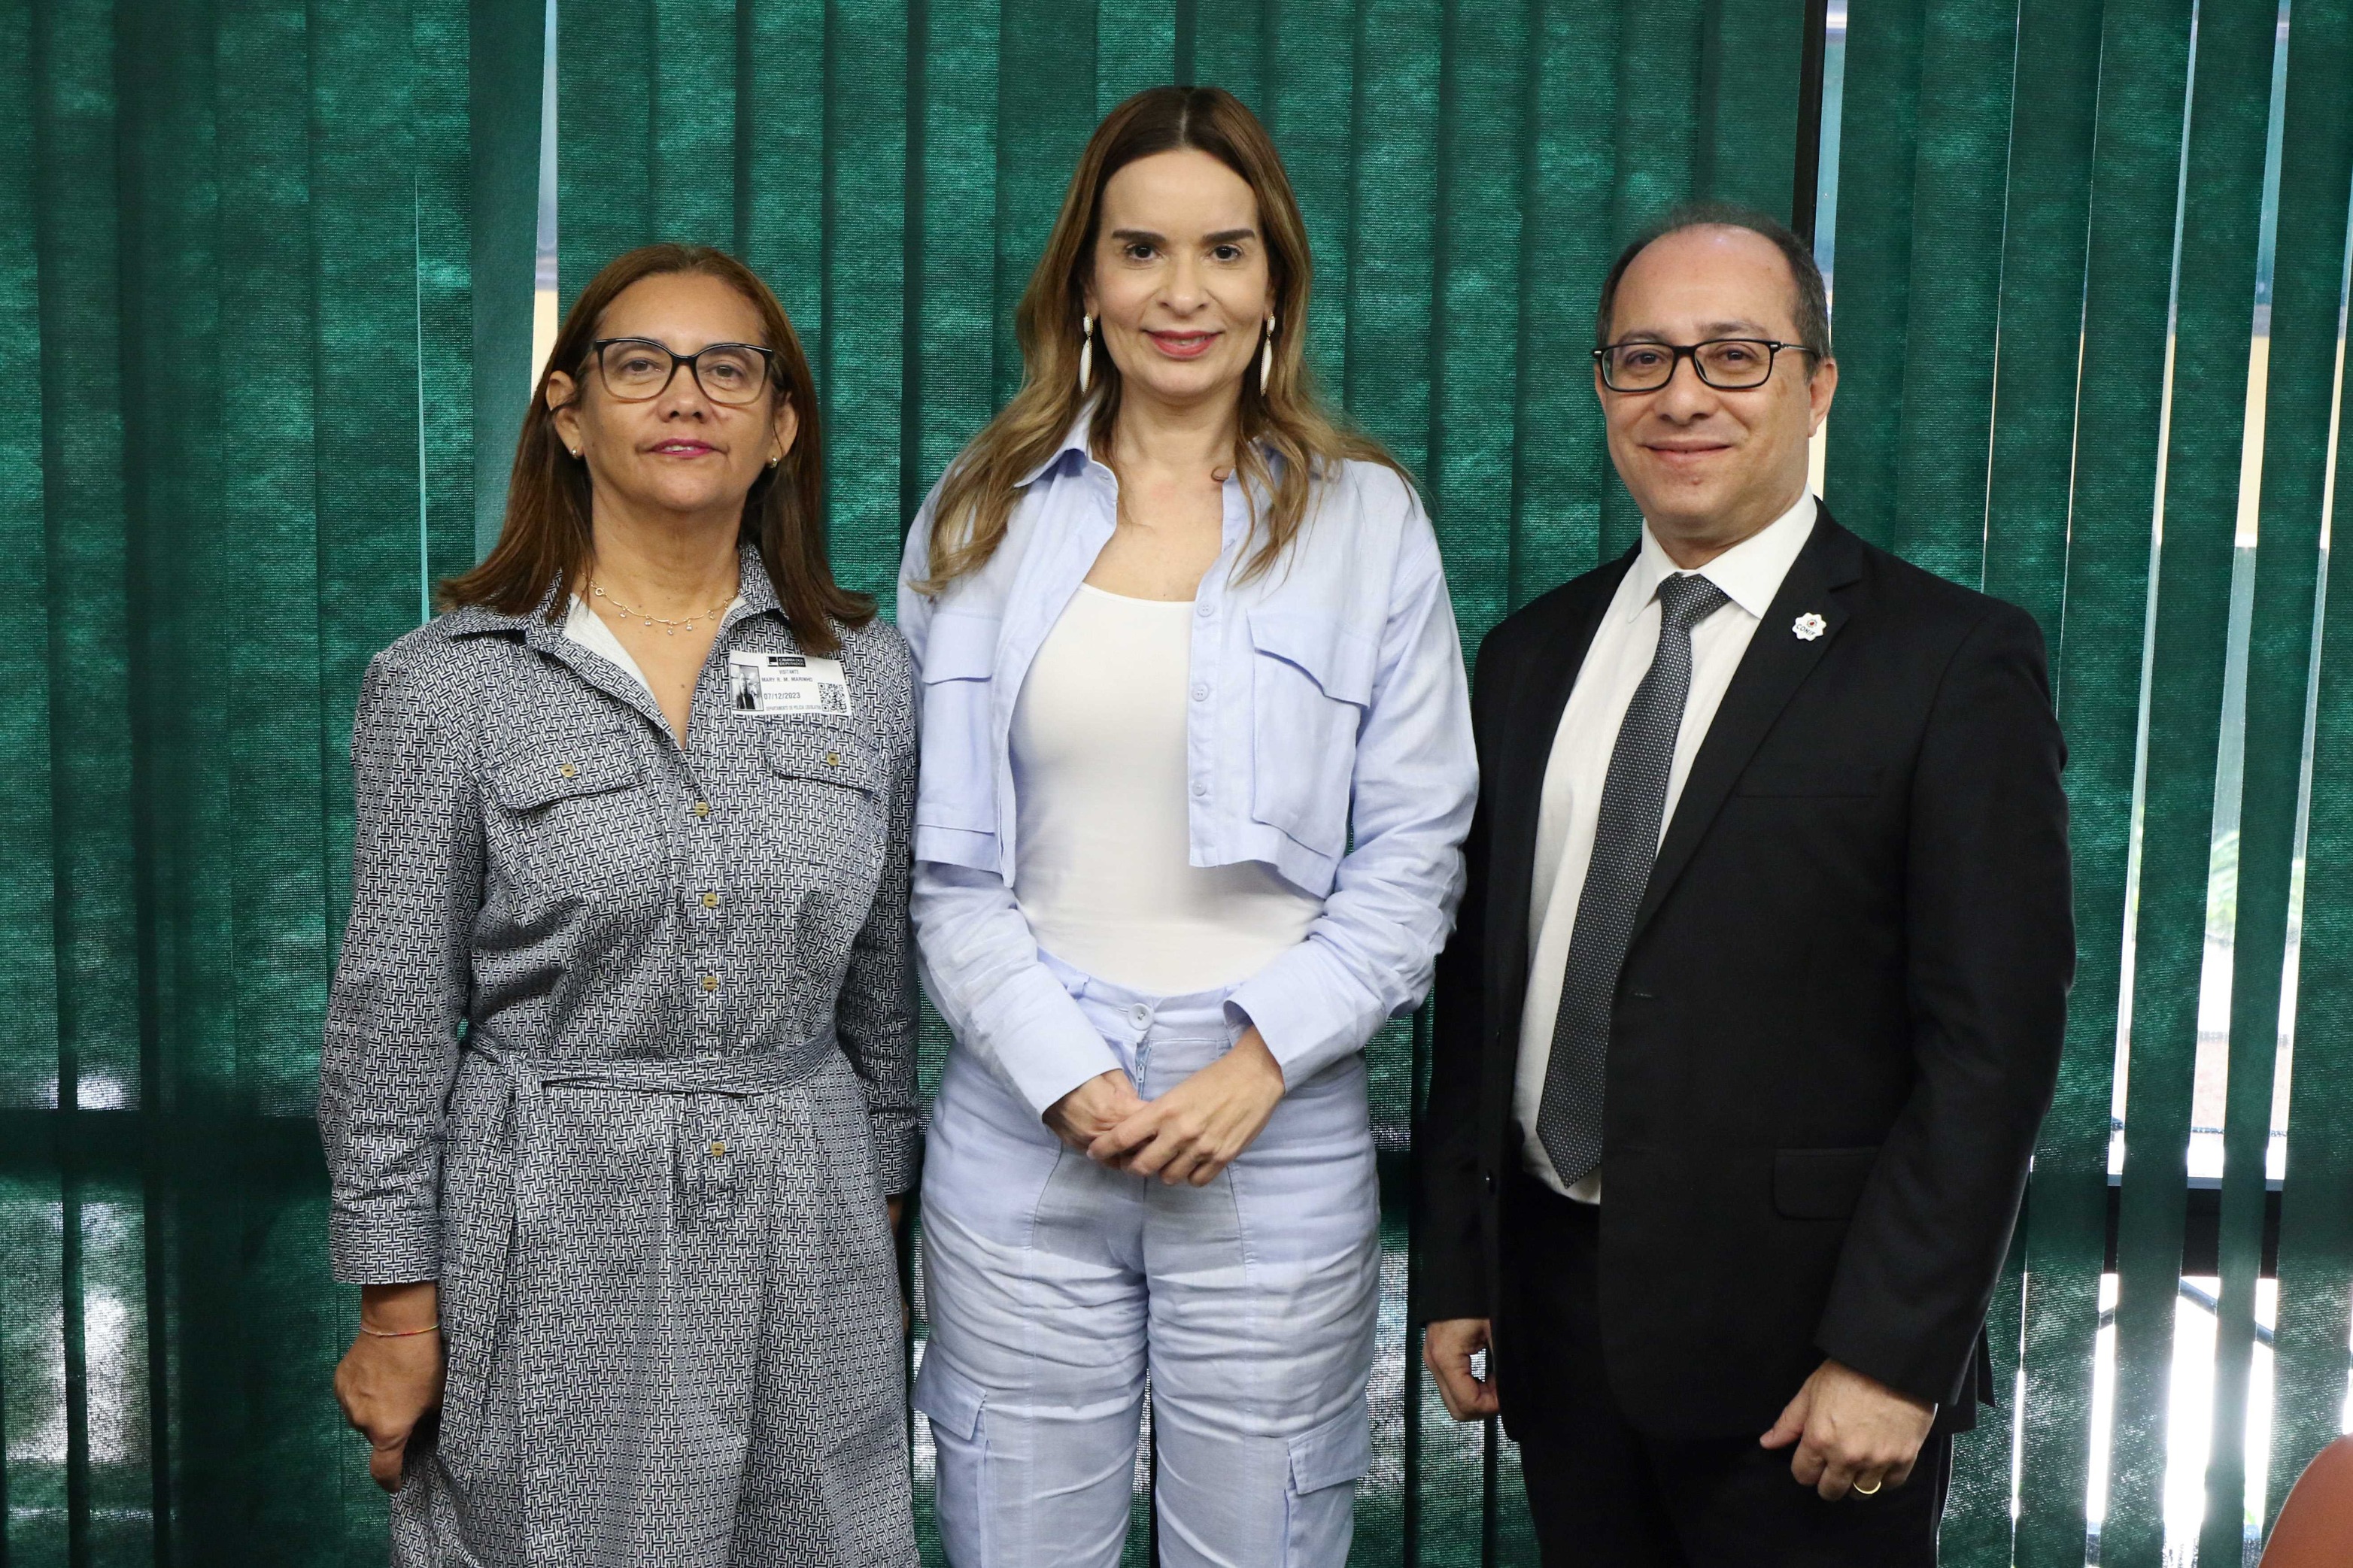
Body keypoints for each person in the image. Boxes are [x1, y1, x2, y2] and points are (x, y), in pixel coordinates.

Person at [1416, 205, 2071, 1566]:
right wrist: (1462, 1269)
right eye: (1643, 359)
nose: (1684, 397)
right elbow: (1485, 986)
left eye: (1735, 355)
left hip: (1813, 1366)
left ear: (1817, 382)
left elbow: (1992, 1044)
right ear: (1603, 387)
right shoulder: (1530, 652)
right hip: (1559, 1327)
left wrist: (1897, 1355)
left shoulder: (1951, 659)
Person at [898, 85, 1476, 1567]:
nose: (1181, 292)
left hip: (1274, 1121)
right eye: (1140, 250)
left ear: (1274, 279)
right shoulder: (977, 511)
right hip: (1025, 1121)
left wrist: (1258, 1059)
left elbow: (1416, 848)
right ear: (1083, 281)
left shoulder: (1367, 519)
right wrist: (1064, 1069)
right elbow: (939, 861)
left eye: (1224, 251)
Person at [319, 243, 921, 1567]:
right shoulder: (450, 683)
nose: (685, 397)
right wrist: (397, 1307)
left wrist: (876, 1223)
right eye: (638, 364)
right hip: (550, 1215)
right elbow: (393, 1015)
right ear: (569, 412)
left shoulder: (867, 673)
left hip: (808, 1215)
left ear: (781, 425)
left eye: (728, 368)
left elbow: (885, 996)